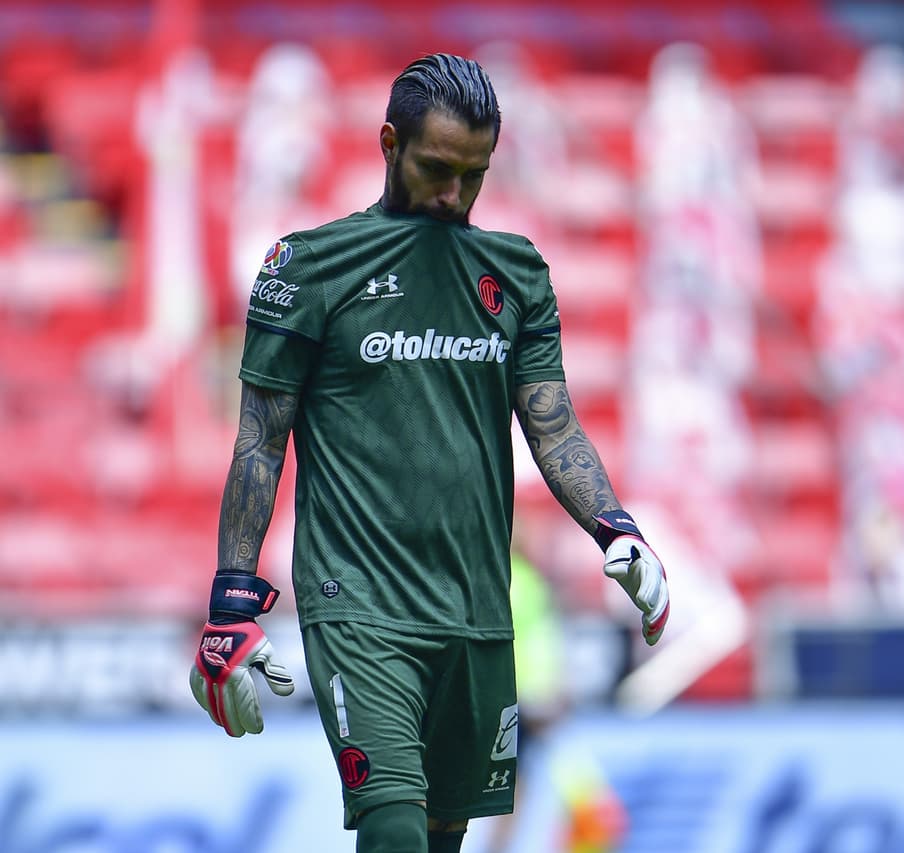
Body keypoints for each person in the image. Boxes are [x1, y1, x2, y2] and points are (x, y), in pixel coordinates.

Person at [187, 53, 671, 853]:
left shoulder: (515, 274)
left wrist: (616, 526)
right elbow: (259, 437)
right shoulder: (305, 268)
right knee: (396, 830)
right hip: (361, 605)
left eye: (474, 174)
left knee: (443, 841)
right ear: (388, 143)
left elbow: (550, 421)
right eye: (437, 168)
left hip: (477, 610)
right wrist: (231, 603)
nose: (454, 193)